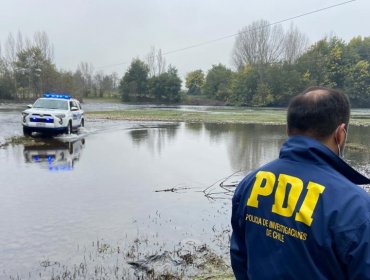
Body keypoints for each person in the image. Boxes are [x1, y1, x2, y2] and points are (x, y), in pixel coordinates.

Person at [230, 86, 370, 279]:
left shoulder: (251, 183)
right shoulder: (355, 205)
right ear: (340, 133)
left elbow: (240, 258)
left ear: (288, 130)